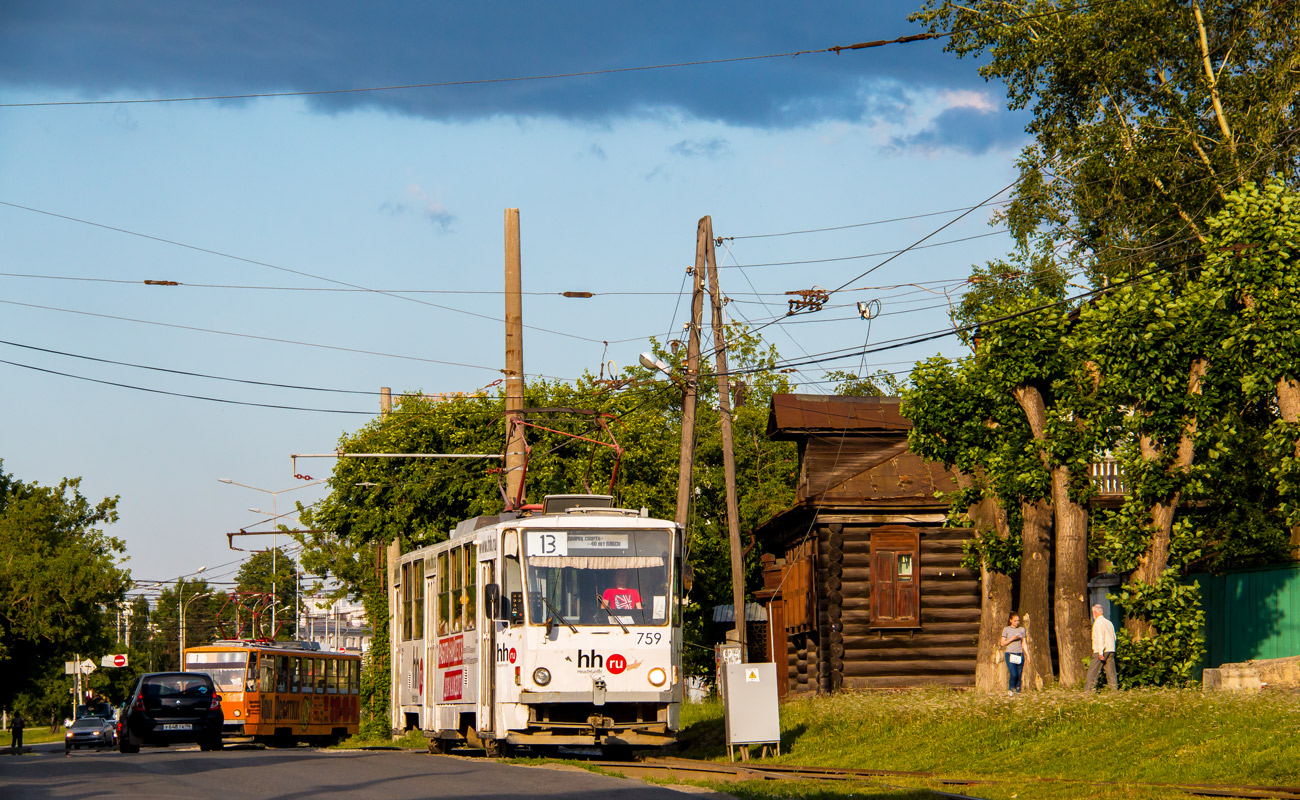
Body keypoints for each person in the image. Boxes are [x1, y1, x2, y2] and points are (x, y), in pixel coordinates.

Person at [1085, 603, 1118, 691]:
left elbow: (1100, 637)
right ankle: (1114, 690)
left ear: (1094, 612)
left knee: (1093, 672)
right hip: (1111, 649)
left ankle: (1088, 691)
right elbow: (1114, 637)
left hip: (1101, 650)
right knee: (1111, 672)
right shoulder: (1109, 622)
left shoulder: (1097, 623)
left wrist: (1100, 652)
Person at [999, 612, 1029, 694]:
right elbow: (1002, 643)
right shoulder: (1007, 629)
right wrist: (1012, 638)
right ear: (1010, 621)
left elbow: (1023, 643)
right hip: (1010, 654)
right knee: (1014, 674)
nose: (1017, 622)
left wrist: (1027, 655)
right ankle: (1011, 690)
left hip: (1019, 654)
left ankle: (1017, 692)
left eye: (1018, 621)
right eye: (1015, 621)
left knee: (1019, 675)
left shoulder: (1022, 629)